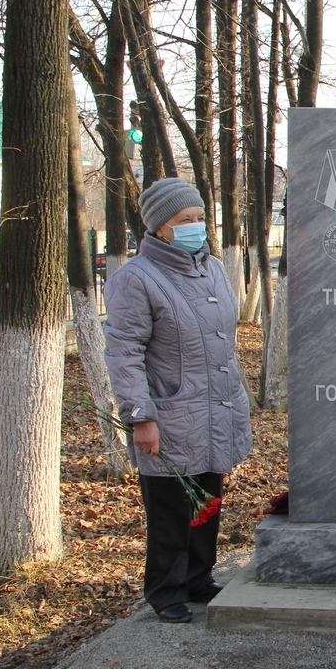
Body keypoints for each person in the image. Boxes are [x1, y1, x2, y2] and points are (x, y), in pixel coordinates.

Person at [104, 177, 253, 623]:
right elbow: (124, 353)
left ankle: (198, 577)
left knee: (207, 497)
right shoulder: (136, 279)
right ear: (160, 228)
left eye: (201, 218)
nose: (197, 227)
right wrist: (140, 417)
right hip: (169, 411)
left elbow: (222, 341)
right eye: (185, 220)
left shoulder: (212, 268)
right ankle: (165, 590)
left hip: (217, 405)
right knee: (170, 504)